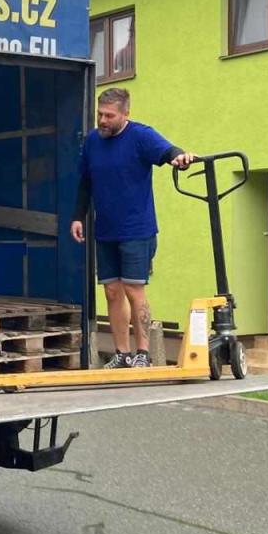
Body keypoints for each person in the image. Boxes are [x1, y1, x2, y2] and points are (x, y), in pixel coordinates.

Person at [71, 88, 197, 368]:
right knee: (111, 291)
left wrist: (181, 158)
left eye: (109, 116)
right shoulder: (92, 141)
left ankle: (143, 353)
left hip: (137, 230)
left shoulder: (141, 135)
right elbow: (85, 182)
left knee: (133, 289)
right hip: (105, 229)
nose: (102, 120)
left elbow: (169, 152)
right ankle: (122, 354)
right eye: (100, 114)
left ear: (125, 114)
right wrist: (78, 216)